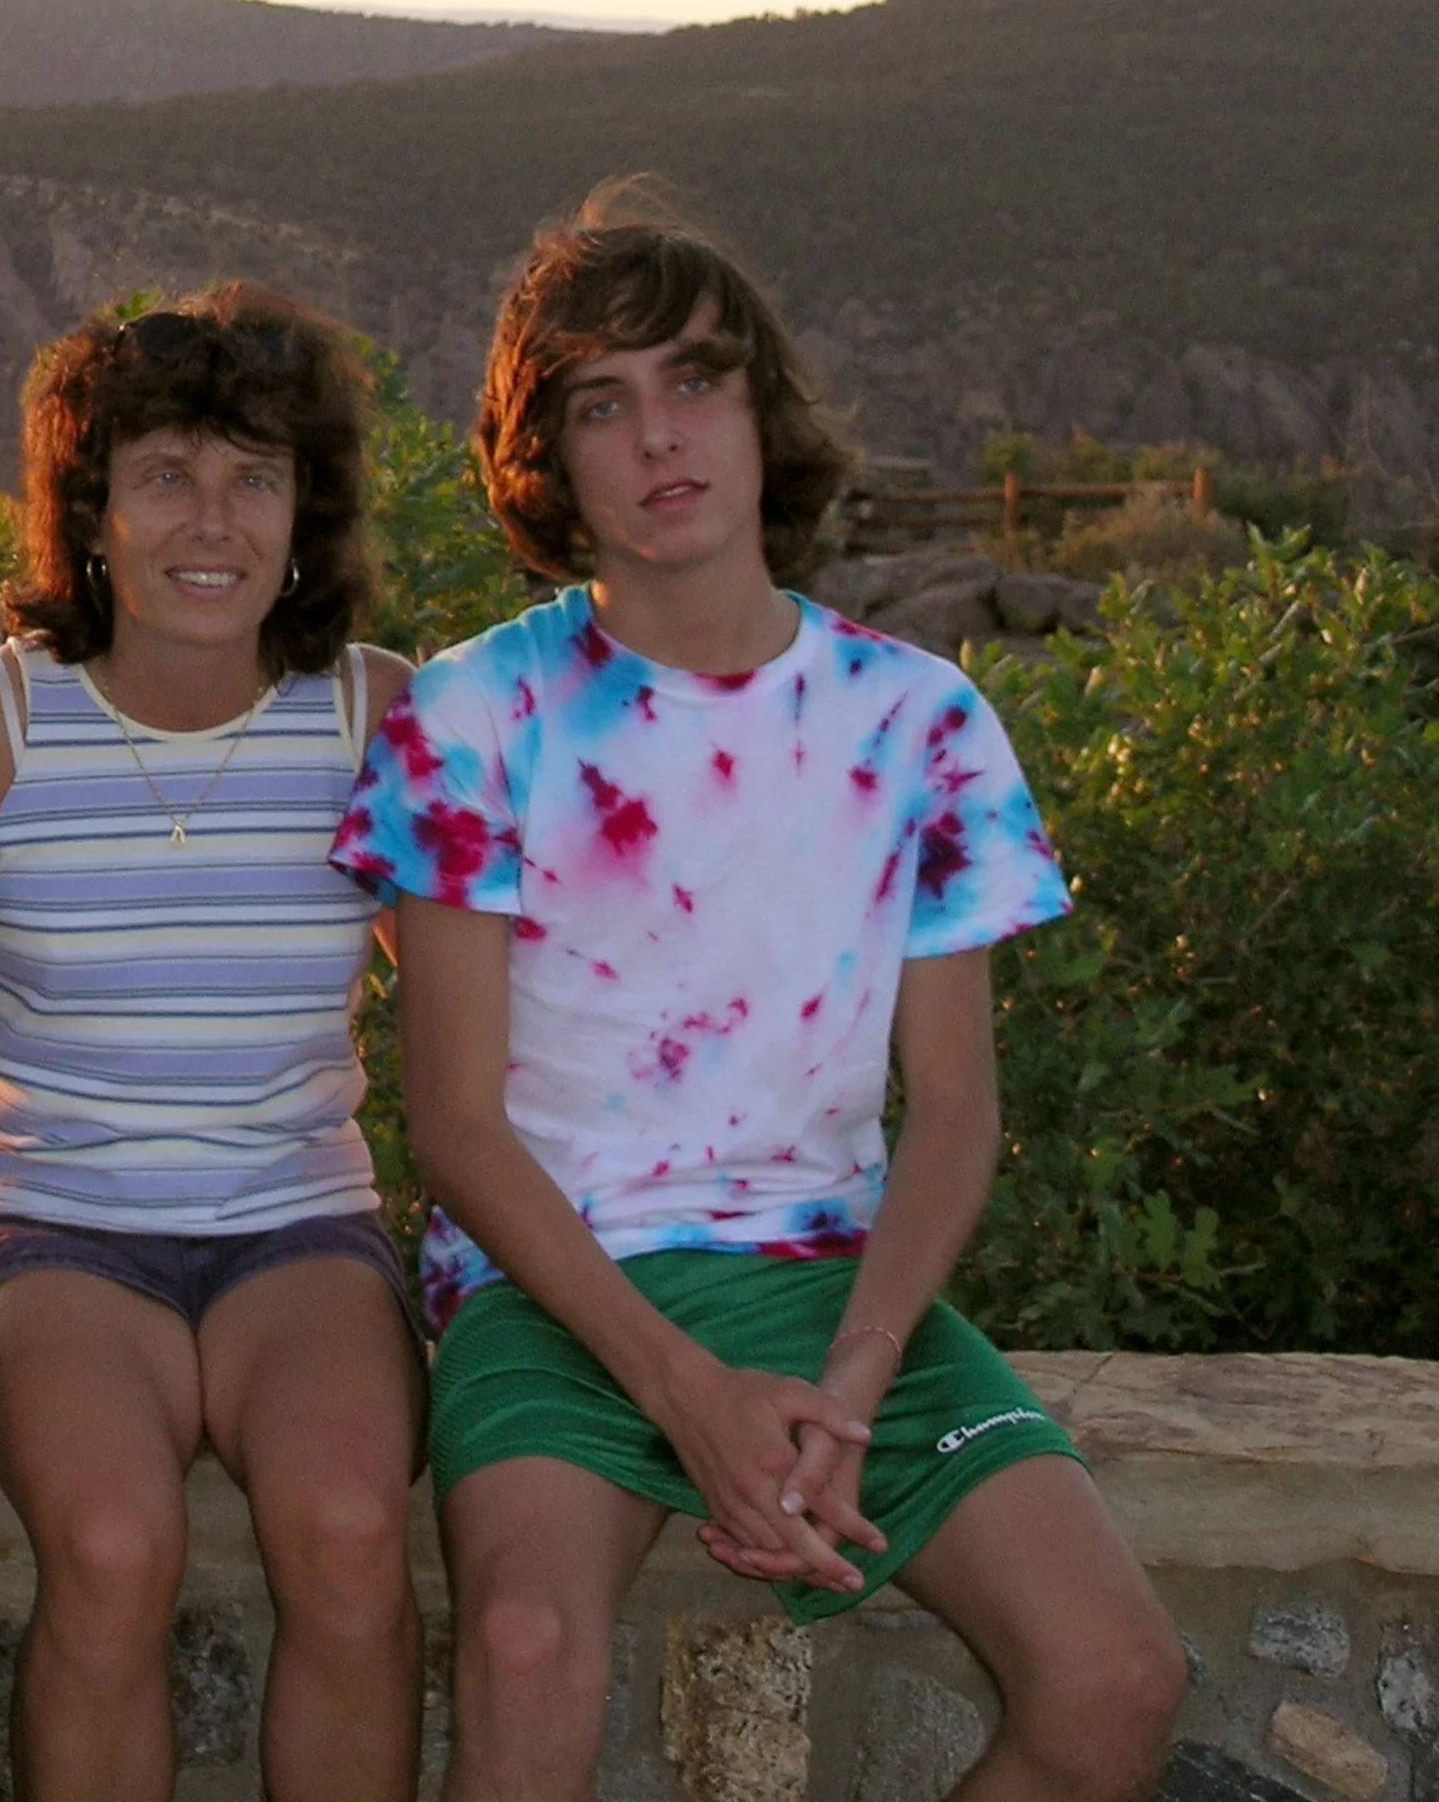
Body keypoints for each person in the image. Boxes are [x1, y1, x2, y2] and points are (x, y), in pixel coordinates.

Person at [330, 188, 1187, 1801]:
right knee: (521, 1655)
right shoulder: (477, 714)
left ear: (759, 411)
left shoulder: (919, 719)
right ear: (549, 459)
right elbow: (451, 1123)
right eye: (602, 402)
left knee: (1118, 1678)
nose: (660, 435)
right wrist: (687, 1394)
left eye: (696, 380)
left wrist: (849, 1386)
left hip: (832, 1280)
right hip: (554, 1292)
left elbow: (955, 1111)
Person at [0, 286, 427, 1802]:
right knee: (115, 1543)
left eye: (254, 476)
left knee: (348, 1538)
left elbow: (494, 1020)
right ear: (91, 514)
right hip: (49, 1227)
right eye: (164, 476)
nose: (213, 519)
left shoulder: (371, 718)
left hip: (298, 1223)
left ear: (303, 510)